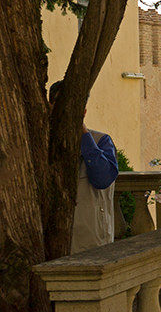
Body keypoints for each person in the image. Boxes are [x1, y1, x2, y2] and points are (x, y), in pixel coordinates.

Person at [48, 81, 120, 253]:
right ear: (49, 106)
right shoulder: (37, 141)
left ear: (84, 111)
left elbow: (102, 179)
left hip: (90, 241)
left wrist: (84, 136)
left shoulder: (101, 141)